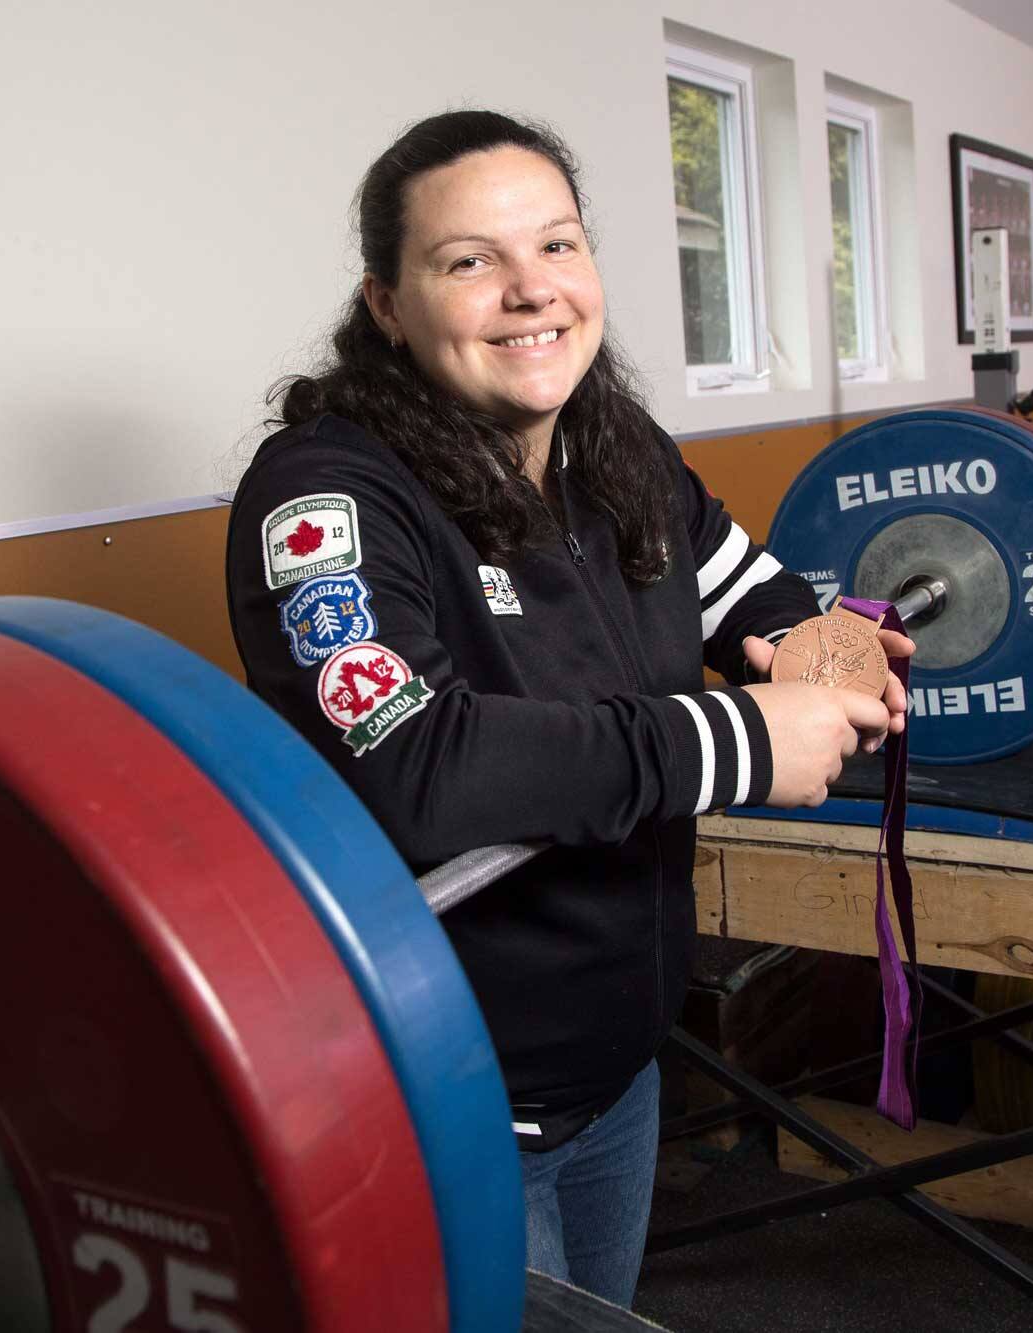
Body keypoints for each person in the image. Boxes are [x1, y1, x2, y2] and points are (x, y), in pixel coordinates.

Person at [225, 109, 912, 1307]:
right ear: (387, 304)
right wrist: (743, 736)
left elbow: (752, 587)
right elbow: (417, 763)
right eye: (467, 261)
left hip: (620, 1072)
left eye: (556, 246)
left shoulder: (615, 448)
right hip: (448, 1104)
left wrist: (829, 648)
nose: (528, 291)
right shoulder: (323, 497)